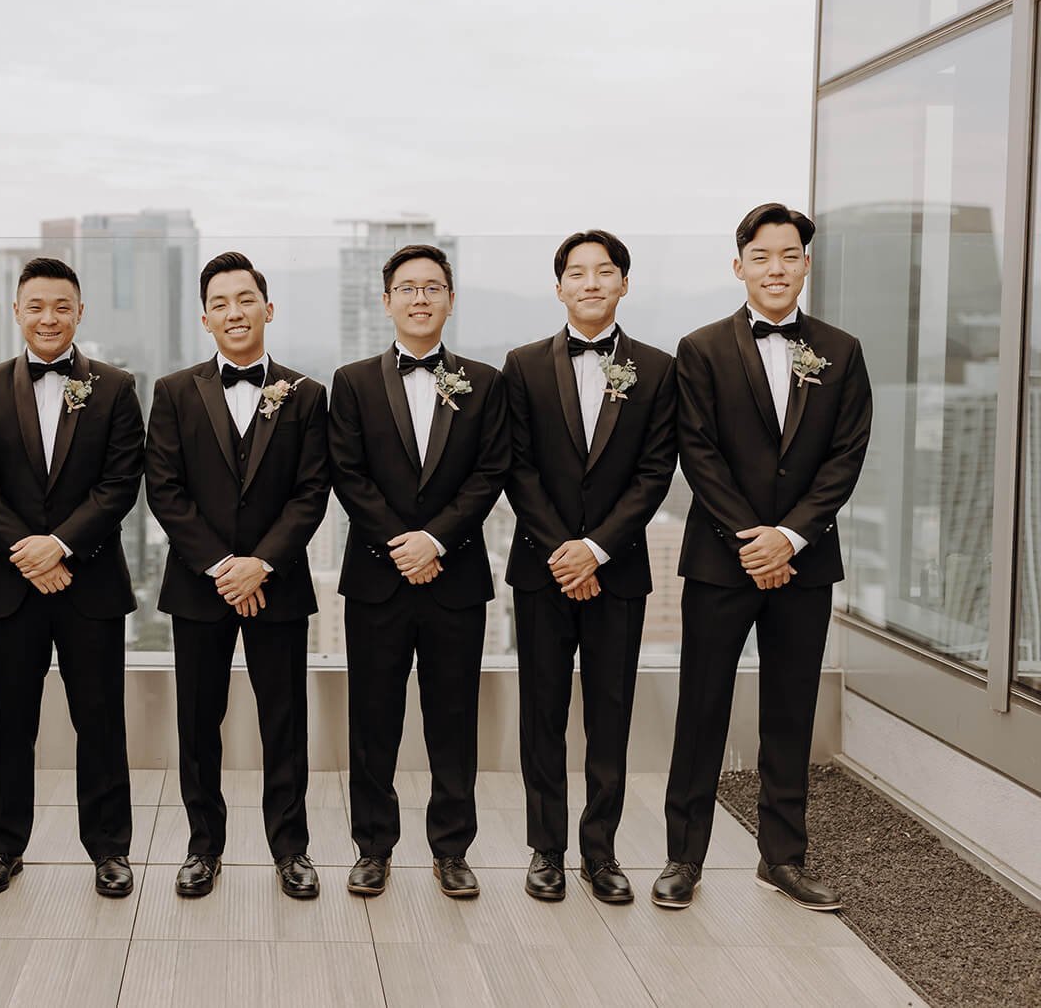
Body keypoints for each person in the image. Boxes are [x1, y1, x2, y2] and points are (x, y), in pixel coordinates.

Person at [654, 203, 871, 911]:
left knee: (790, 709)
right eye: (762, 255)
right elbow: (698, 452)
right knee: (702, 708)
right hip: (722, 561)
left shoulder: (842, 348)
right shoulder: (702, 347)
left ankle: (783, 857)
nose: (775, 268)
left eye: (789, 255)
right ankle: (683, 857)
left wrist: (792, 537)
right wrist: (753, 538)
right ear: (739, 264)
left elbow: (846, 456)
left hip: (805, 565)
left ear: (806, 264)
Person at [0, 257, 145, 898]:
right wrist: (27, 552)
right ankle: (1, 847)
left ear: (80, 311)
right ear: (16, 311)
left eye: (61, 306)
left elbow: (120, 484)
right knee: (11, 722)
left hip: (90, 584)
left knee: (101, 721)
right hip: (11, 587)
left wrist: (61, 546)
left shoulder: (116, 387)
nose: (48, 318)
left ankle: (110, 850)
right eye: (36, 305)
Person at [144, 251, 331, 900]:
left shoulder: (307, 393)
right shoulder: (173, 391)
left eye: (245, 298)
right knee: (199, 722)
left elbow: (311, 492)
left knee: (284, 720)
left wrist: (261, 563)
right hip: (200, 585)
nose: (234, 311)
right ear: (205, 317)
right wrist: (223, 566)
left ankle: (291, 848)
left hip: (277, 583)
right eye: (220, 302)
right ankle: (203, 846)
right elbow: (164, 491)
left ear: (268, 308)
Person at [328, 243, 510, 899]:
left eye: (434, 287)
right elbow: (347, 473)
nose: (421, 297)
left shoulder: (486, 382)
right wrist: (400, 543)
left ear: (451, 300)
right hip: (377, 578)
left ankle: (451, 848)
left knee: (453, 719)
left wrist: (436, 540)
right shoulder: (350, 382)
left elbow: (491, 472)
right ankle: (372, 846)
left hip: (455, 577)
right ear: (386, 301)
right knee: (373, 720)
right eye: (407, 288)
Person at [501, 230, 677, 906]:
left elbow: (655, 470)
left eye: (605, 272)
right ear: (559, 288)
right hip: (542, 568)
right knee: (542, 712)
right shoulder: (520, 365)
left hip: (619, 567)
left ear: (624, 284)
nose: (592, 282)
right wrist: (562, 549)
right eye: (577, 273)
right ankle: (546, 848)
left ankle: (599, 851)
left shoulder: (657, 368)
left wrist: (597, 547)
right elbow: (515, 466)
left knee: (611, 712)